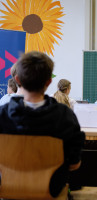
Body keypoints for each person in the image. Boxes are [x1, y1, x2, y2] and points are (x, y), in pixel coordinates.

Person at [0, 51, 85, 198]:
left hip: (7, 188)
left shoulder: (2, 116)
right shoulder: (65, 116)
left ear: (17, 80)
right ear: (48, 82)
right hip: (51, 190)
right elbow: (74, 164)